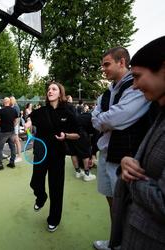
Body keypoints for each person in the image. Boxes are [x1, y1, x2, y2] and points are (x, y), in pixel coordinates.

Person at [91, 47, 151, 249]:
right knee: (112, 202)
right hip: (106, 152)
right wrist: (104, 120)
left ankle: (125, 243)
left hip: (125, 154)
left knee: (125, 205)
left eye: (107, 64)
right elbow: (96, 117)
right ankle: (115, 241)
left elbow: (119, 117)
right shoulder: (107, 92)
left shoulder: (135, 86)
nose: (103, 69)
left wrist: (103, 120)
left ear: (122, 62)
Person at [109, 36, 165, 250]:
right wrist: (127, 161)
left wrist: (129, 178)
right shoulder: (159, 111)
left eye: (138, 76)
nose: (134, 85)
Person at [24, 81, 80, 232]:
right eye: (48, 89)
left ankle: (54, 219)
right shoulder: (41, 111)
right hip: (41, 152)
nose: (50, 91)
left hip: (57, 154)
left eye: (54, 89)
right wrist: (28, 122)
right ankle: (41, 197)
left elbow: (78, 134)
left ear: (60, 93)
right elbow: (30, 118)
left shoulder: (68, 110)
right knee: (36, 182)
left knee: (56, 188)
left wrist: (66, 135)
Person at [0, 97, 18, 172]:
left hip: (3, 132)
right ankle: (12, 162)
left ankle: (0, 165)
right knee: (12, 147)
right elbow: (16, 120)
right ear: (9, 102)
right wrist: (13, 126)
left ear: (4, 102)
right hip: (11, 131)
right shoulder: (14, 110)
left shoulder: (1, 111)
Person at [10, 96, 22, 162]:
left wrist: (13, 126)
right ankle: (15, 155)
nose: (10, 101)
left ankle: (19, 156)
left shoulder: (16, 107)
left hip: (15, 126)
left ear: (13, 100)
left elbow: (17, 119)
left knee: (17, 140)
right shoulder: (12, 106)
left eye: (11, 100)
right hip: (13, 126)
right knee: (14, 141)